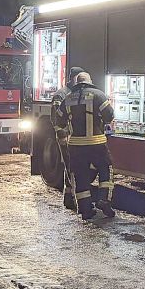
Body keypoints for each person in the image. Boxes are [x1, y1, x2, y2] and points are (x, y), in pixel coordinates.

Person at [55, 72, 117, 221]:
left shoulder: (68, 98)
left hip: (75, 146)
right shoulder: (98, 95)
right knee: (105, 169)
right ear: (90, 81)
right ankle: (103, 199)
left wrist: (64, 135)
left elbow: (59, 120)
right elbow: (109, 115)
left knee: (80, 176)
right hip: (97, 143)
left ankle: (85, 210)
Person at [51, 66, 85, 211]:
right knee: (71, 167)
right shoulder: (61, 95)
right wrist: (62, 136)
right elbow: (56, 119)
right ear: (73, 78)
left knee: (70, 167)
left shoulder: (76, 92)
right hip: (65, 136)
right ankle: (75, 200)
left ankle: (68, 197)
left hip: (74, 136)